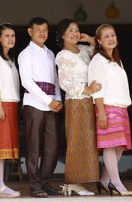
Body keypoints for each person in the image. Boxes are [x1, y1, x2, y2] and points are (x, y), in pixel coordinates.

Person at [55, 19, 101, 196]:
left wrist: (89, 39)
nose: (74, 33)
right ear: (63, 35)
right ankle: (73, 182)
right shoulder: (62, 55)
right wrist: (86, 89)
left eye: (76, 30)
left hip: (89, 100)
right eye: (70, 30)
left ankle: (80, 182)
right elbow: (64, 82)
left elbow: (102, 49)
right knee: (76, 141)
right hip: (76, 100)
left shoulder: (84, 50)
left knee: (88, 142)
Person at [18, 17, 63, 198]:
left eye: (45, 30)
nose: (42, 33)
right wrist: (47, 100)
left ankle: (46, 182)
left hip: (52, 104)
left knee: (52, 146)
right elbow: (27, 82)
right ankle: (35, 185)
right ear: (30, 32)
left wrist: (58, 100)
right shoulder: (25, 54)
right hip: (34, 104)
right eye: (38, 30)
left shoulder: (51, 53)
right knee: (34, 146)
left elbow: (56, 80)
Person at [88, 24, 132, 196]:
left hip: (121, 107)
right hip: (107, 107)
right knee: (110, 145)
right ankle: (116, 182)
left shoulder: (116, 61)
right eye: (106, 36)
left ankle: (105, 180)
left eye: (113, 35)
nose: (111, 39)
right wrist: (101, 112)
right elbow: (96, 89)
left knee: (120, 147)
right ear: (99, 41)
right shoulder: (98, 60)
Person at [0, 23, 21, 198]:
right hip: (0, 104)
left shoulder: (10, 59)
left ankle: (1, 185)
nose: (10, 39)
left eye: (13, 35)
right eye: (6, 36)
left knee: (6, 146)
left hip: (11, 104)